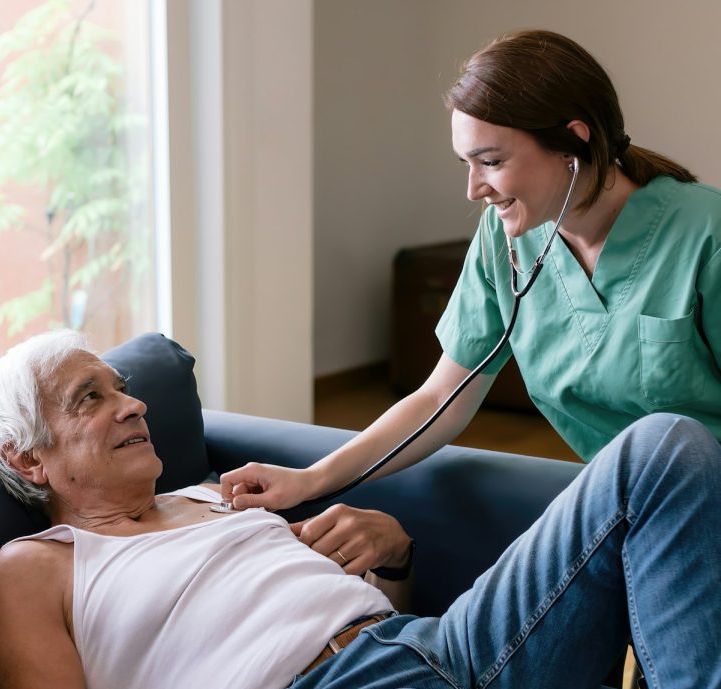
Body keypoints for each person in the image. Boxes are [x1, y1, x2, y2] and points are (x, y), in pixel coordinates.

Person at [0, 329, 721, 689]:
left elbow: (371, 601)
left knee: (662, 447)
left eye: (123, 389)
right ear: (29, 458)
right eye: (92, 398)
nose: (134, 404)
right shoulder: (37, 569)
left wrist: (392, 550)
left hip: (435, 650)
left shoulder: (219, 496)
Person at [220, 29, 721, 572]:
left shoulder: (705, 237)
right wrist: (311, 478)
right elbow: (442, 398)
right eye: (466, 163)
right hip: (618, 507)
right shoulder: (503, 238)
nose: (474, 189)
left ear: (575, 142)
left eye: (491, 162)